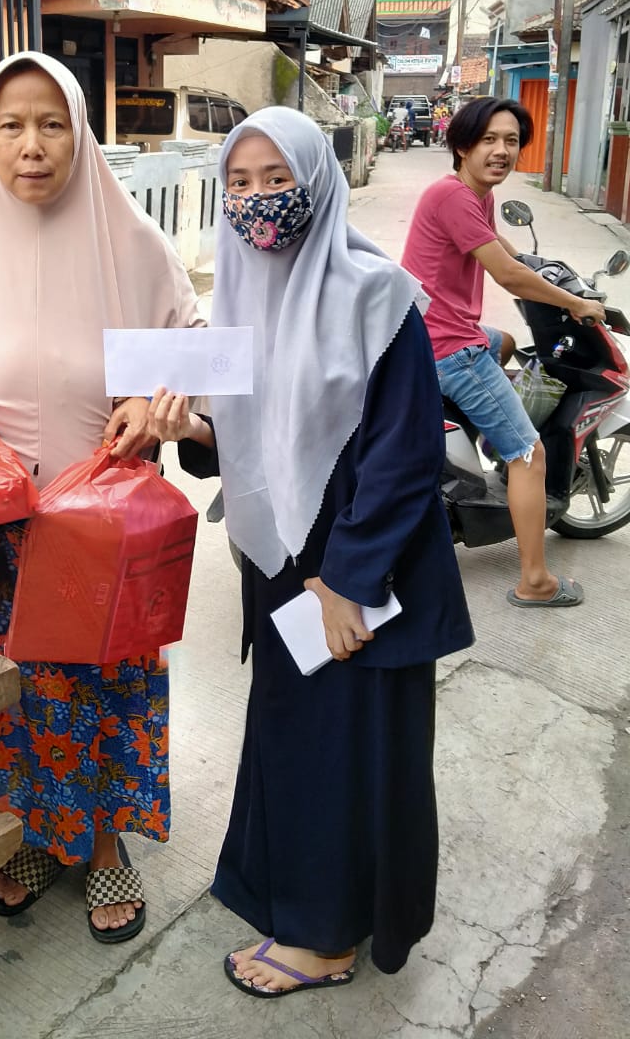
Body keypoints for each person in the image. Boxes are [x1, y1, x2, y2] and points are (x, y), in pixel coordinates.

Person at [148, 107, 473, 997]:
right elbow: (246, 438)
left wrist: (348, 583)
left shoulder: (377, 294)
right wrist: (194, 426)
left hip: (359, 576)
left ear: (316, 182)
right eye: (240, 185)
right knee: (297, 740)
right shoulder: (244, 297)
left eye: (277, 181)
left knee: (345, 752)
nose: (258, 203)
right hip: (282, 569)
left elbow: (406, 458)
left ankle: (326, 940)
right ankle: (293, 904)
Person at [0, 51, 203, 944]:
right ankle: (29, 837)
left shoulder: (132, 239)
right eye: (11, 125)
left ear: (80, 130)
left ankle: (105, 844)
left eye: (51, 123)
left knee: (99, 685)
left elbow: (196, 349)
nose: (31, 146)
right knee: (9, 693)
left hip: (101, 527)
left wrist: (155, 397)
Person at [401, 97, 606, 608]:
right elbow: (508, 274)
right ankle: (535, 580)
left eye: (511, 141)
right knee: (530, 454)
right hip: (449, 349)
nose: (501, 151)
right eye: (489, 140)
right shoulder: (452, 196)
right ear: (462, 145)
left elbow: (500, 247)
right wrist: (575, 302)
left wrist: (546, 265)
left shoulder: (476, 195)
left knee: (508, 342)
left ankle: (474, 445)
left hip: (431, 335)